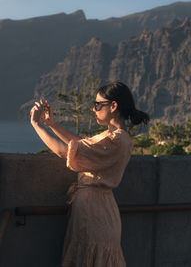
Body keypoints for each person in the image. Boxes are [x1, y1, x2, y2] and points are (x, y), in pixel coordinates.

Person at [30, 81, 150, 267]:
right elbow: (79, 144)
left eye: (97, 105)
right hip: (95, 210)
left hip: (95, 215)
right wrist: (51, 124)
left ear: (113, 106)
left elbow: (65, 152)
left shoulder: (116, 140)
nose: (94, 109)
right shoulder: (115, 136)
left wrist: (37, 125)